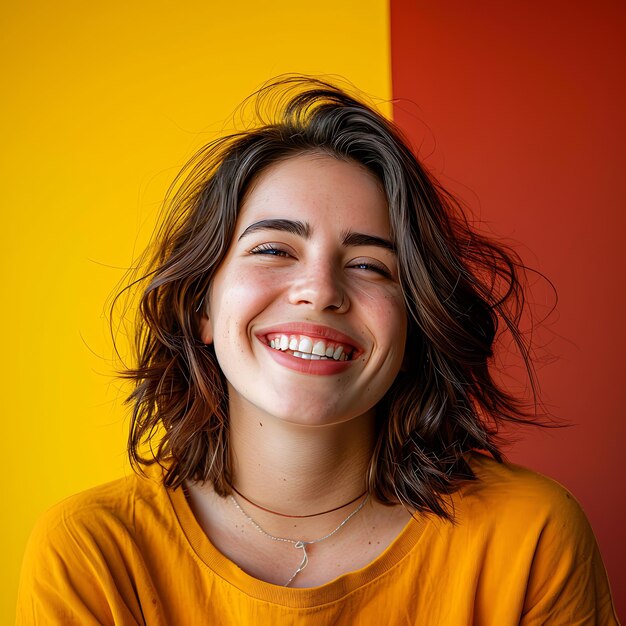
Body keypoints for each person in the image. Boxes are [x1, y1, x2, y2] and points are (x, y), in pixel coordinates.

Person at [16, 77, 619, 625]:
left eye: (367, 264)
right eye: (274, 249)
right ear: (201, 305)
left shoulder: (528, 535)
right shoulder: (92, 551)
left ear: (414, 324)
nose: (321, 291)